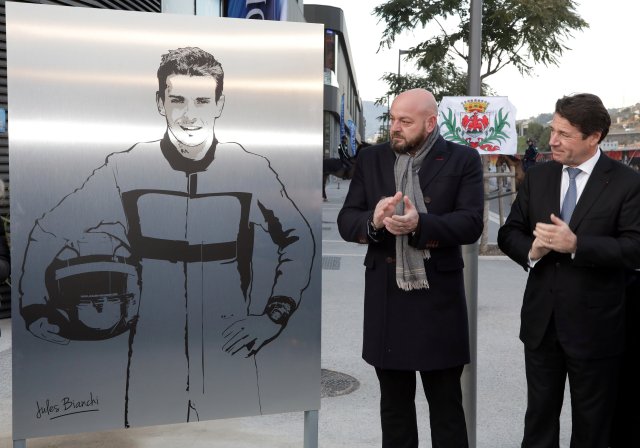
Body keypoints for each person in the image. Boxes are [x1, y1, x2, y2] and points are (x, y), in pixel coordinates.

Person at [18, 47, 315, 426]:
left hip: (228, 342)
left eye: (202, 100)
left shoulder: (250, 168)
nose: (190, 114)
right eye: (177, 99)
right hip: (150, 347)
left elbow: (298, 237)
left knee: (231, 439)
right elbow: (48, 231)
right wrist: (34, 306)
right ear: (160, 102)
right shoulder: (125, 168)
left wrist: (275, 315)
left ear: (219, 104)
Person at [337, 88, 484, 448]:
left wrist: (421, 225)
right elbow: (347, 219)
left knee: (447, 407)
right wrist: (373, 222)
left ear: (431, 122)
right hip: (388, 299)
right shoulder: (371, 159)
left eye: (406, 121)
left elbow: (471, 223)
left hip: (438, 303)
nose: (396, 128)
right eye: (392, 119)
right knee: (395, 408)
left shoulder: (462, 159)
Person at [497, 93, 640, 448]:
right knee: (539, 421)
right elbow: (507, 233)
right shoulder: (539, 176)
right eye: (553, 130)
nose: (553, 141)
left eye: (564, 134)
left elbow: (634, 247)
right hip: (541, 325)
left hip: (597, 329)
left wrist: (577, 245)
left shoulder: (627, 183)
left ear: (594, 137)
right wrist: (532, 249)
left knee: (593, 427)